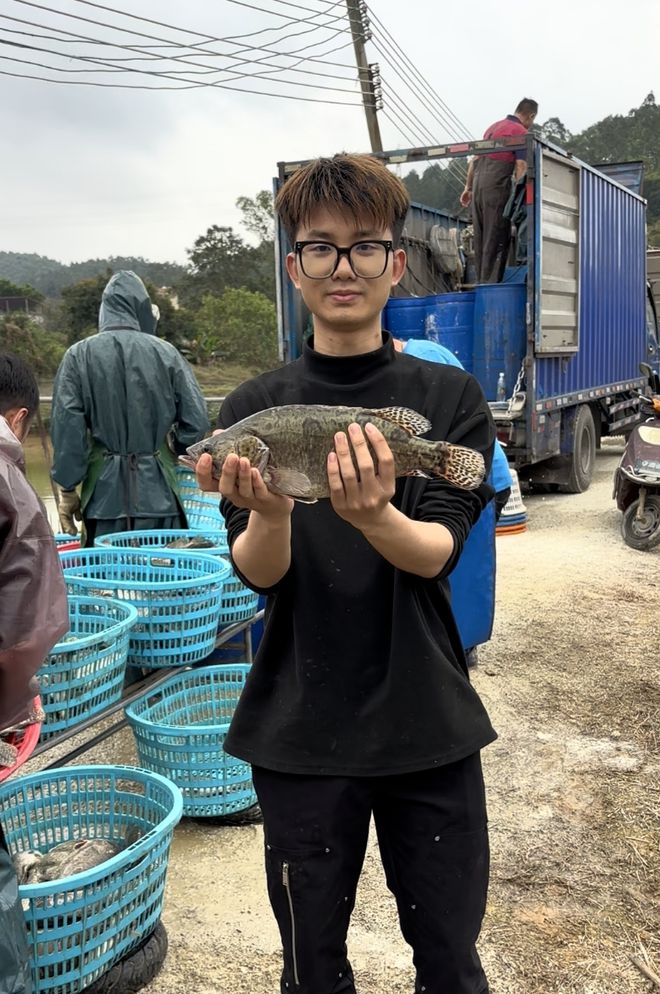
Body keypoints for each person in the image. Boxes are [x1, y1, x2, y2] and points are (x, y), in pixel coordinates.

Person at [195, 153, 497, 994]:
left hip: (426, 719)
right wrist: (274, 511)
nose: (342, 268)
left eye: (365, 247)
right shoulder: (251, 409)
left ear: (395, 262)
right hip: (298, 728)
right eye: (319, 249)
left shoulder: (447, 397)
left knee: (448, 955)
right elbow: (258, 573)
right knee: (311, 965)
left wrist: (375, 515)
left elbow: (439, 552)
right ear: (294, 267)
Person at [0, 352, 69, 994]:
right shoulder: (7, 480)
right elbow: (27, 628)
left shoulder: (77, 359)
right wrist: (14, 708)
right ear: (18, 417)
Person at [51, 271, 209, 545]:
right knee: (162, 578)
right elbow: (196, 421)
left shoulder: (78, 356)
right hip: (161, 495)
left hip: (103, 500)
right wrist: (177, 450)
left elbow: (67, 431)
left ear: (104, 309)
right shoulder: (168, 354)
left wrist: (67, 489)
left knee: (107, 579)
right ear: (142, 309)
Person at [394, 337, 512, 667]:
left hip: (480, 476)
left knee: (462, 563)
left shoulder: (426, 357)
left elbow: (453, 424)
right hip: (441, 473)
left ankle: (461, 644)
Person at [460, 98, 538, 283]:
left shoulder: (492, 128)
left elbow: (474, 161)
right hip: (496, 186)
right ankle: (491, 289)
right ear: (531, 116)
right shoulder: (520, 131)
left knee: (480, 239)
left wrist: (468, 188)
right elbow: (520, 165)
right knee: (496, 239)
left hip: (478, 186)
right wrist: (520, 198)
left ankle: (481, 283)